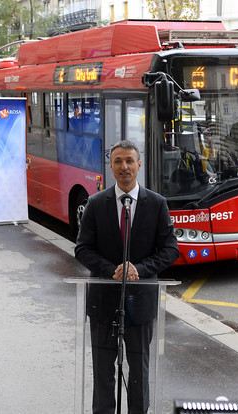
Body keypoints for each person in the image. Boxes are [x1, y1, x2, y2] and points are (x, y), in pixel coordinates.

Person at [74, 140, 179, 414]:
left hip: (141, 304)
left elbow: (170, 250)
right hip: (102, 303)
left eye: (130, 161)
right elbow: (82, 249)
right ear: (110, 166)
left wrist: (139, 270)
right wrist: (112, 270)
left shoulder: (157, 204)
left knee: (139, 373)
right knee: (103, 373)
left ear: (139, 165)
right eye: (118, 161)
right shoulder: (96, 204)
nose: (124, 167)